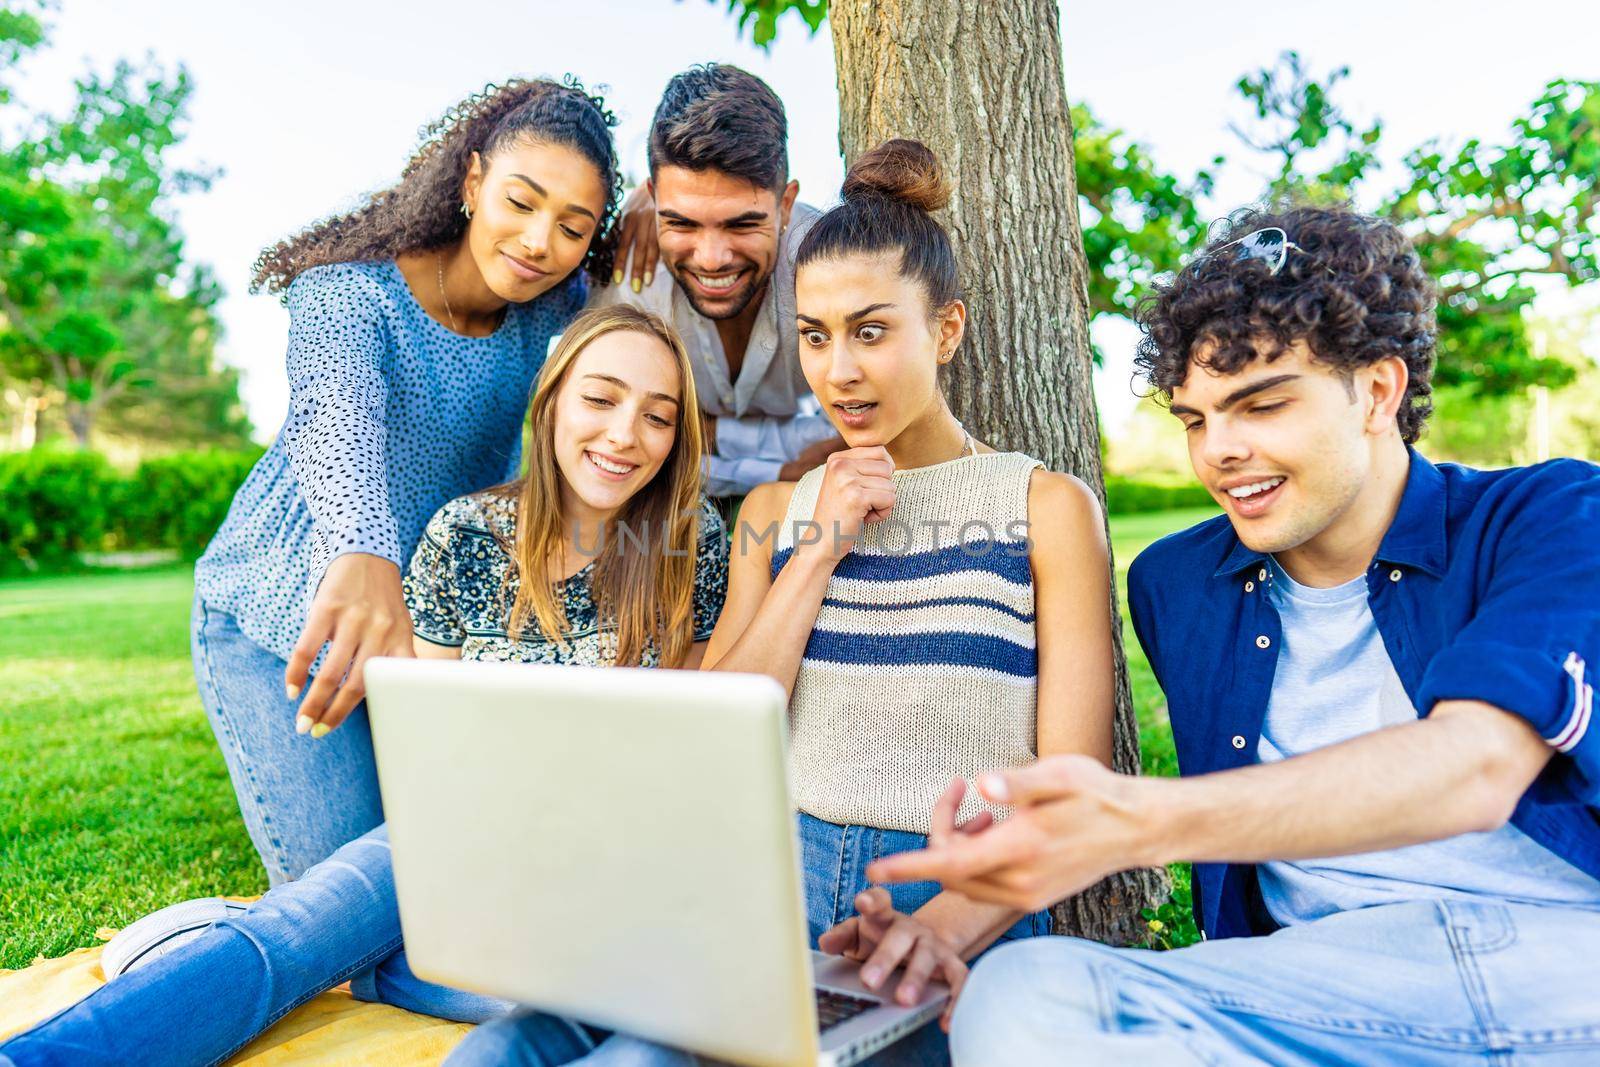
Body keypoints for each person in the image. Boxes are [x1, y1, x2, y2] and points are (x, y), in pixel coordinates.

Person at [865, 205, 1600, 1065]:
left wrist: (1144, 820)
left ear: (1379, 390)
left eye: (1261, 405)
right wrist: (938, 930)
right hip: (1311, 981)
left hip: (1558, 958)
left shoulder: (1553, 514)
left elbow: (1475, 766)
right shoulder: (1176, 584)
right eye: (1195, 419)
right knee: (1027, 992)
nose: (1218, 451)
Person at [447, 140, 1118, 1067]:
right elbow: (720, 721)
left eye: (871, 331)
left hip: (948, 909)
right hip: (762, 891)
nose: (837, 370)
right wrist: (817, 549)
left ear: (949, 330)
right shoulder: (774, 513)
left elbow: (1075, 797)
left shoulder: (1044, 509)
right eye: (814, 334)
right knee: (513, 1042)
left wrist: (940, 931)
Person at [0, 306, 730, 1067]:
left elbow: (686, 737)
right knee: (298, 931)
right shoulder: (464, 531)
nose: (625, 435)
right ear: (552, 401)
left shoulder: (691, 543)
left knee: (598, 988)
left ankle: (340, 961)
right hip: (456, 833)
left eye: (658, 416)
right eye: (602, 398)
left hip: (598, 868)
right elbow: (426, 739)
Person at [189, 78, 622, 886]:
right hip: (280, 624)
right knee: (354, 905)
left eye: (574, 226)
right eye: (521, 202)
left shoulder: (549, 311)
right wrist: (360, 552)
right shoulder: (353, 291)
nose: (538, 240)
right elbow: (334, 414)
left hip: (424, 637)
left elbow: (635, 342)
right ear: (471, 181)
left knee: (468, 881)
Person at [593, 63, 845, 499]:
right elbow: (606, 446)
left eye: (742, 225)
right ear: (652, 201)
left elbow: (855, 437)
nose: (711, 259)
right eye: (682, 223)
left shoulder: (834, 268)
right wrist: (781, 469)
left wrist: (708, 436)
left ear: (786, 205)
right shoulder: (629, 279)